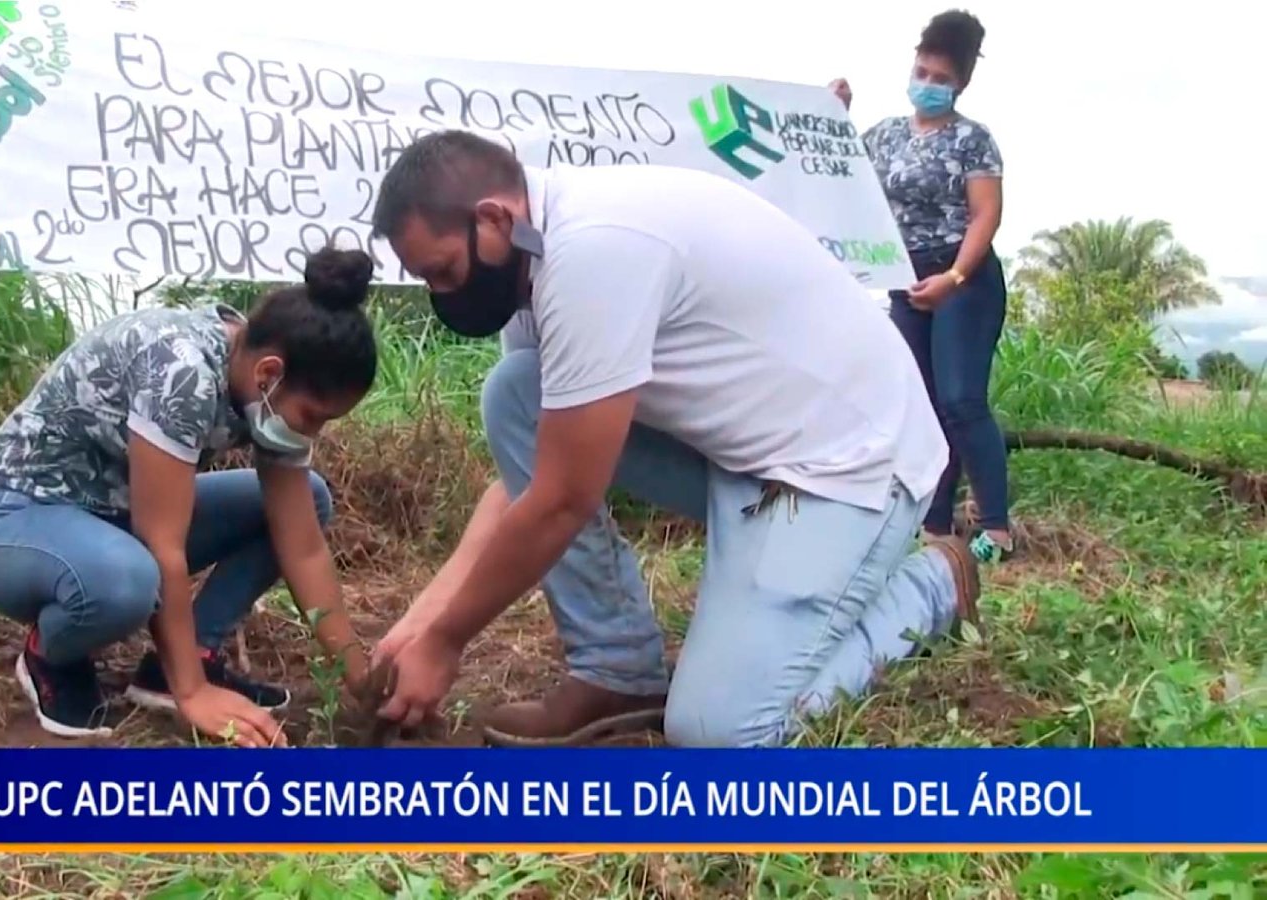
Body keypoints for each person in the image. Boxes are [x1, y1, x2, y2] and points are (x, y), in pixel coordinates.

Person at [365, 131, 983, 748]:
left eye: (444, 272)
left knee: (722, 735)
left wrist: (447, 642)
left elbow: (561, 499)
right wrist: (421, 623)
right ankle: (618, 671)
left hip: (847, 468)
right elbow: (531, 478)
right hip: (747, 455)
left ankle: (929, 588)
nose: (443, 295)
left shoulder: (594, 252)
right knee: (516, 392)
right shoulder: (528, 265)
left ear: (495, 219)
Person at [0, 247, 378, 747]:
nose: (314, 432)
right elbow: (163, 545)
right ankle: (51, 654)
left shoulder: (258, 386)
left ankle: (179, 659)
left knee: (308, 498)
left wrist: (363, 678)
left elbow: (303, 545)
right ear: (269, 374)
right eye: (313, 415)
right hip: (20, 519)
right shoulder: (181, 370)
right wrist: (194, 694)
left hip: (116, 520)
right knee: (127, 582)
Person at [829, 9, 1012, 563]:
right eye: (922, 73)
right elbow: (833, 170)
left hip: (964, 279)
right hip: (906, 284)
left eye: (941, 79)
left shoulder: (972, 141)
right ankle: (936, 524)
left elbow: (985, 215)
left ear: (960, 84)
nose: (927, 85)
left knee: (961, 401)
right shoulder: (883, 136)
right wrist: (833, 113)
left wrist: (954, 276)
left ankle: (998, 527)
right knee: (924, 406)